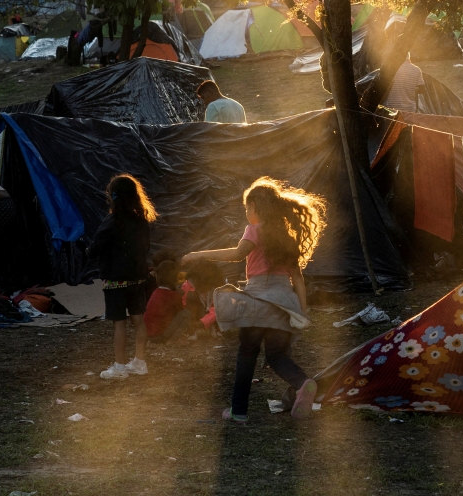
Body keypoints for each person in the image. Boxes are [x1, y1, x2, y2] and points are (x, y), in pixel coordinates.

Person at [182, 177, 326, 423]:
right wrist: (300, 312)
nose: (247, 213)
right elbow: (298, 280)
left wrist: (198, 254)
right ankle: (304, 383)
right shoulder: (288, 238)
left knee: (247, 354)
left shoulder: (254, 230)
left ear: (257, 207)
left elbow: (238, 254)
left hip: (258, 301)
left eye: (247, 208)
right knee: (277, 356)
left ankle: (238, 412)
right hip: (284, 303)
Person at [88, 174, 155, 380]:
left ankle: (119, 366)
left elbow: (95, 248)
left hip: (115, 281)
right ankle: (140, 362)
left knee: (120, 323)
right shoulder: (143, 220)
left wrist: (87, 249)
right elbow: (146, 248)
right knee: (138, 319)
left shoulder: (112, 221)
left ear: (112, 197)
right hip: (137, 278)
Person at [143, 256, 191, 343]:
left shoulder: (156, 292)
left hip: (147, 334)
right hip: (159, 335)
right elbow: (180, 312)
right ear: (175, 279)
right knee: (186, 314)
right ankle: (172, 341)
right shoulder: (172, 296)